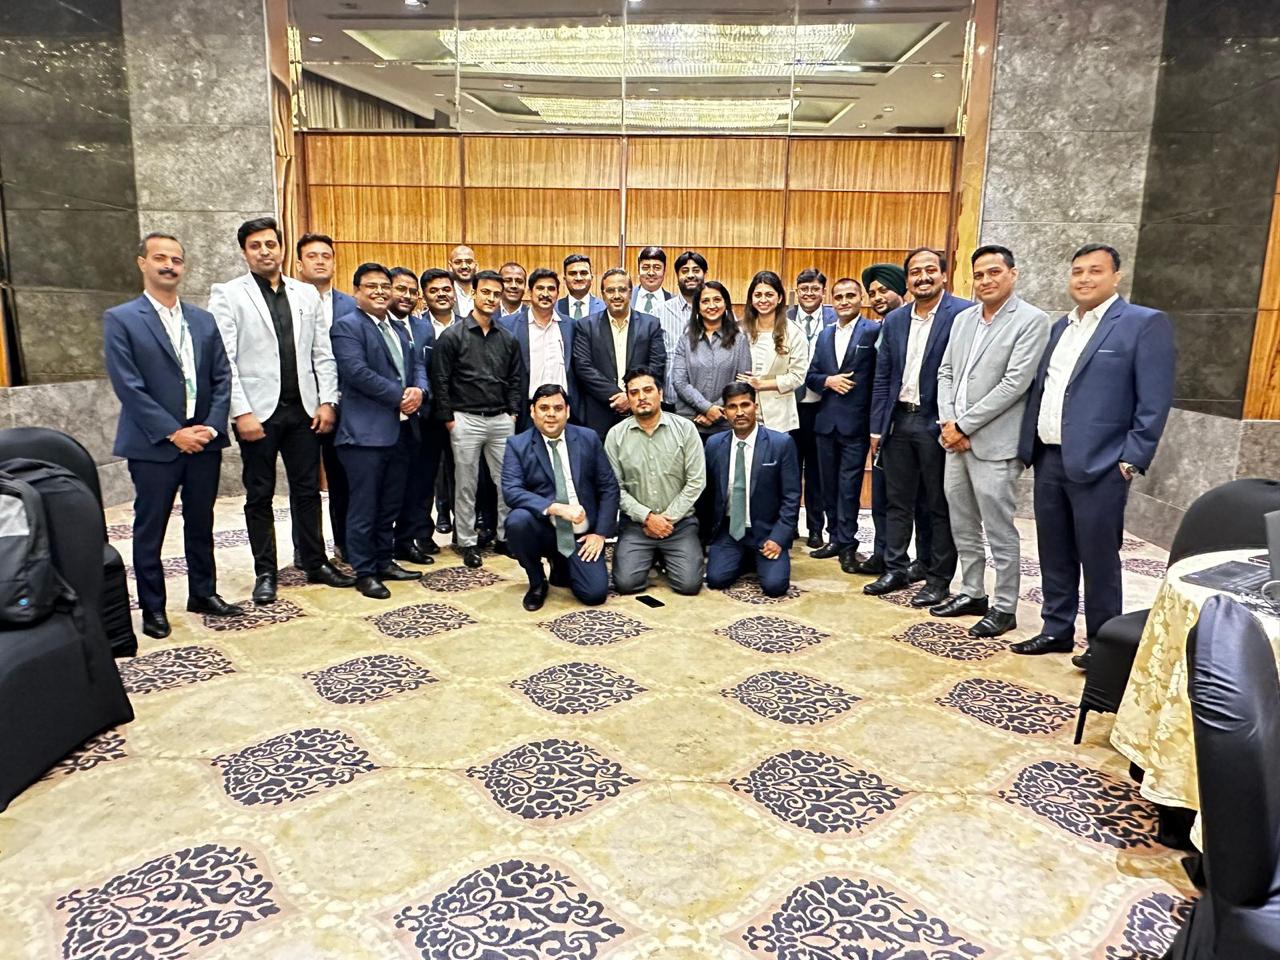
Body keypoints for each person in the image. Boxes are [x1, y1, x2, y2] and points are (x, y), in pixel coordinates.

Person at [1014, 243, 1175, 655]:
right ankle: (1056, 628)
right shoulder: (1061, 328)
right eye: (1078, 271)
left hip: (1103, 464)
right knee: (1054, 551)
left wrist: (1131, 460)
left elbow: (1154, 401)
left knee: (1098, 558)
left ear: (1116, 276)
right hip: (1050, 458)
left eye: (1095, 270)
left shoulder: (1142, 324)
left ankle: (1104, 644)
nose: (1084, 278)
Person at [209, 216, 355, 604]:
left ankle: (314, 561)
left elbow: (322, 353)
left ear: (281, 248)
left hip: (303, 410)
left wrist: (327, 400)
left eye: (270, 244)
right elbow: (225, 359)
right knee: (260, 494)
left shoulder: (305, 294)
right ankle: (265, 572)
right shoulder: (229, 294)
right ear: (244, 252)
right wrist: (241, 412)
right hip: (258, 413)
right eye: (255, 246)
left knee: (307, 491)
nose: (264, 252)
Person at [103, 233, 243, 638]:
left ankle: (203, 592)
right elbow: (129, 386)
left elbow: (222, 377)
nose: (169, 265)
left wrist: (211, 426)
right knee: (151, 529)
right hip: (153, 445)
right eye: (160, 258)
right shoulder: (122, 319)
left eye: (176, 260)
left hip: (204, 441)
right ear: (142, 263)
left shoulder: (203, 320)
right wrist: (172, 433)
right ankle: (153, 608)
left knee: (201, 522)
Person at [934, 245, 1049, 638]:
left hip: (995, 445)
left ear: (1013, 274)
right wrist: (949, 422)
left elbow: (1015, 384)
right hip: (954, 441)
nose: (986, 280)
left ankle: (1004, 605)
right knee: (962, 522)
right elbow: (946, 372)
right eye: (979, 274)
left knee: (999, 529)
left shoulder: (1031, 320)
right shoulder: (963, 319)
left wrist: (964, 426)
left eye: (994, 272)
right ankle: (972, 592)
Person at [865, 247, 974, 607]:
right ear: (907, 279)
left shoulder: (963, 314)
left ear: (944, 274)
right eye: (915, 272)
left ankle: (938, 577)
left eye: (930, 270)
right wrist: (877, 428)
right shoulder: (896, 320)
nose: (922, 277)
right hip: (899, 420)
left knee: (937, 504)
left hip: (938, 421)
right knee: (897, 501)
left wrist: (958, 422)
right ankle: (896, 567)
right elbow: (883, 377)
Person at [330, 263, 428, 599]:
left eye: (385, 286)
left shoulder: (398, 328)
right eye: (371, 286)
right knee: (364, 507)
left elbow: (417, 365)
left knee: (390, 504)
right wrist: (399, 396)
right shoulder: (347, 326)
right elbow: (356, 372)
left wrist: (419, 391)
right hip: (364, 435)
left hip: (400, 432)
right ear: (356, 291)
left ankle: (385, 560)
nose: (380, 292)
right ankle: (365, 571)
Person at [430, 269, 523, 568]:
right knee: (466, 484)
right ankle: (467, 541)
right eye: (486, 292)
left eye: (496, 294)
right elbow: (440, 380)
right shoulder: (452, 336)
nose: (491, 298)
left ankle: (505, 537)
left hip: (500, 420)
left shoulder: (507, 338)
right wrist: (449, 419)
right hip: (465, 419)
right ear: (473, 294)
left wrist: (512, 413)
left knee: (506, 482)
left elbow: (515, 379)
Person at [501, 384, 619, 611]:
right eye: (544, 408)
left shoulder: (588, 438)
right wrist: (554, 507)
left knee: (594, 594)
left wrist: (600, 534)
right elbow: (512, 491)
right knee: (517, 521)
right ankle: (537, 581)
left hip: (581, 532)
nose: (551, 414)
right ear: (533, 411)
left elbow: (608, 487)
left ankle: (562, 563)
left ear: (567, 411)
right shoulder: (517, 444)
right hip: (544, 526)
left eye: (557, 408)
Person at [856, 262, 931, 578]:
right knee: (883, 494)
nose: (877, 297)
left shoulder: (912, 325)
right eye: (872, 293)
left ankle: (924, 561)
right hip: (883, 423)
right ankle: (883, 554)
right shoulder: (881, 327)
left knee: (922, 499)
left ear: (901, 289)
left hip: (916, 421)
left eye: (883, 290)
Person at [605, 367, 706, 596]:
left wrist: (666, 520)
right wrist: (648, 518)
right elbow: (615, 488)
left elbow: (696, 481)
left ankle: (661, 555)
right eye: (634, 393)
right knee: (626, 584)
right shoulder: (615, 436)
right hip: (637, 525)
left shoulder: (686, 429)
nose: (641, 397)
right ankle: (649, 555)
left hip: (679, 524)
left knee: (689, 585)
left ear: (660, 393)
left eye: (648, 390)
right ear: (628, 399)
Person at [804, 278, 881, 573]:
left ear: (861, 298)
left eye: (850, 295)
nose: (844, 301)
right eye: (839, 297)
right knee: (828, 486)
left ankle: (848, 545)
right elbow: (811, 376)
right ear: (832, 301)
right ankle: (834, 537)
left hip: (856, 424)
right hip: (825, 423)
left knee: (849, 488)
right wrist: (828, 381)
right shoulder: (825, 335)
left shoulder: (872, 331)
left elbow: (879, 378)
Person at [704, 383, 800, 597]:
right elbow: (708, 495)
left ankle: (756, 557)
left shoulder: (781, 443)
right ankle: (746, 557)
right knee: (716, 579)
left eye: (745, 405)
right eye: (732, 407)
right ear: (725, 411)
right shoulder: (714, 444)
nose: (739, 412)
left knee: (775, 587)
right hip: (731, 531)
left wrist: (778, 538)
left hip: (767, 531)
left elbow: (792, 497)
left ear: (755, 407)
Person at [297, 231, 354, 565]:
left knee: (342, 480)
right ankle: (307, 550)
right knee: (304, 484)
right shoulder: (289, 301)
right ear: (299, 263)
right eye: (312, 256)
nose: (320, 261)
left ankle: (345, 544)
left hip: (344, 407)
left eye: (326, 256)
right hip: (299, 405)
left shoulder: (350, 304)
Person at [572, 268, 666, 440]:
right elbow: (583, 367)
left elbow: (656, 365)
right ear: (602, 294)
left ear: (630, 292)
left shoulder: (650, 324)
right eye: (610, 290)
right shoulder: (586, 326)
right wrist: (618, 396)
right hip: (600, 414)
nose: (616, 295)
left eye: (622, 289)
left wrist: (632, 396)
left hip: (641, 411)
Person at [386, 267, 439, 565]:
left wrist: (421, 392)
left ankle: (406, 541)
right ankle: (381, 547)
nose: (406, 296)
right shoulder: (377, 325)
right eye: (400, 289)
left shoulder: (423, 328)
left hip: (421, 419)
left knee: (416, 484)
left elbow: (424, 367)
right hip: (383, 418)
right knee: (388, 487)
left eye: (411, 291)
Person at [789, 269, 836, 550]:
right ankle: (790, 525)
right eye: (803, 289)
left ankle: (816, 527)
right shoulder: (784, 318)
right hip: (789, 406)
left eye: (814, 289)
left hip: (823, 405)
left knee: (818, 471)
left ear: (823, 292)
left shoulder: (835, 318)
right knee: (789, 470)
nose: (809, 293)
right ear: (797, 291)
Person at [671, 280, 751, 441]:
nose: (712, 305)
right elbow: (679, 382)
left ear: (725, 304)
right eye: (705, 301)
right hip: (689, 422)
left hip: (725, 423)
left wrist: (716, 411)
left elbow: (742, 383)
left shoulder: (739, 340)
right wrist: (707, 408)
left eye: (717, 299)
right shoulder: (685, 340)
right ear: (697, 307)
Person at [500, 267, 575, 434]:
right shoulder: (508, 325)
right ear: (530, 292)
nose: (545, 294)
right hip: (524, 411)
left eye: (551, 289)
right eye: (540, 288)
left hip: (562, 410)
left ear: (557, 293)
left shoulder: (570, 325)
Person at [738, 270, 807, 436]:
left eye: (769, 294)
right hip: (742, 410)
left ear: (780, 298)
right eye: (758, 295)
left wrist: (760, 384)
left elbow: (797, 376)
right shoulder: (739, 330)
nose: (763, 300)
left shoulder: (794, 332)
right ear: (751, 298)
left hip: (778, 415)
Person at [420, 268, 458, 535]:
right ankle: (434, 519)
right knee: (432, 467)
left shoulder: (468, 324)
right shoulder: (417, 327)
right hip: (428, 409)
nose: (441, 294)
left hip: (463, 408)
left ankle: (463, 521)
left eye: (446, 289)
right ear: (424, 296)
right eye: (434, 290)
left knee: (462, 468)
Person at [657, 251, 707, 395]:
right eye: (685, 271)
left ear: (705, 274)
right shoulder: (658, 313)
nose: (690, 275)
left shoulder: (721, 313)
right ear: (677, 276)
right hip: (670, 397)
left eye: (696, 270)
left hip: (711, 400)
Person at [557, 253, 604, 320]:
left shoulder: (605, 308)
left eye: (583, 273)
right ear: (565, 279)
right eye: (573, 274)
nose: (578, 278)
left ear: (591, 278)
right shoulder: (554, 309)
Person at [631, 245, 673, 314]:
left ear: (664, 271)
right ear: (638, 270)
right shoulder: (627, 297)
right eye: (645, 268)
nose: (651, 273)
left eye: (657, 268)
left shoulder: (673, 301)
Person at [448, 245, 477, 317]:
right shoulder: (445, 293)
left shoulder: (484, 292)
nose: (464, 266)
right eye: (458, 262)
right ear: (450, 266)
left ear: (476, 265)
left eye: (469, 262)